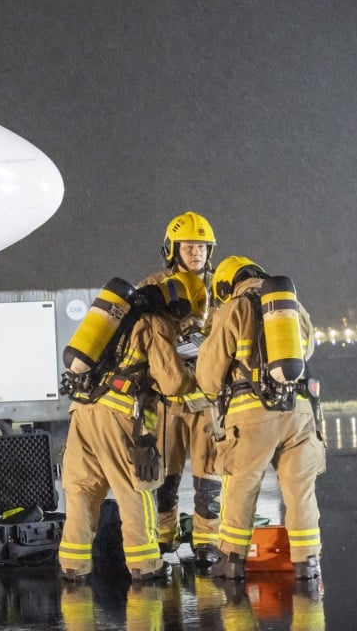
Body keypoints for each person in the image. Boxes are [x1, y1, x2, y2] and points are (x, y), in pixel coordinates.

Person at [58, 271, 207, 585]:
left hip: (83, 410)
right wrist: (195, 373)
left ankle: (73, 565)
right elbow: (172, 382)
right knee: (136, 491)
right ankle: (146, 564)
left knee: (82, 491)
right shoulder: (156, 322)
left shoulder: (120, 318)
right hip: (119, 415)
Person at [196, 256, 322, 584]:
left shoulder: (233, 308)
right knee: (300, 490)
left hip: (252, 416)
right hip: (298, 410)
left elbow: (208, 377)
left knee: (242, 485)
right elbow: (306, 350)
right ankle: (307, 563)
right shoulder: (291, 305)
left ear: (225, 285)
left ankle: (232, 560)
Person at [138, 211, 222, 564]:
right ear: (172, 249)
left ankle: (206, 542)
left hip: (206, 400)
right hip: (166, 399)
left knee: (209, 474)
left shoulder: (222, 286)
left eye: (201, 246)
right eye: (188, 246)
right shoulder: (152, 286)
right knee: (165, 475)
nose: (195, 253)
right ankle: (163, 537)